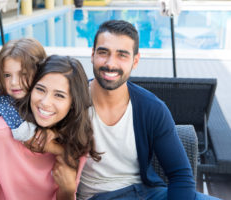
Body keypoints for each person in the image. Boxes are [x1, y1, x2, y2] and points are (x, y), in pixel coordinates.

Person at [77, 20, 220, 200]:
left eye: (122, 55)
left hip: (147, 193)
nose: (110, 63)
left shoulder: (151, 108)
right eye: (103, 52)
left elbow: (181, 175)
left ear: (135, 61)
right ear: (92, 55)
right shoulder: (72, 102)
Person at [0, 55, 101, 200]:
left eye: (59, 95)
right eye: (40, 89)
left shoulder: (76, 140)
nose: (45, 102)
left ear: (73, 103)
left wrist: (68, 190)